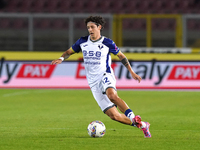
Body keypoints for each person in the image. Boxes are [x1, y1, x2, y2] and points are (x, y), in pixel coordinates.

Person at [51, 16, 151, 138]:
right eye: (88, 27)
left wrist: (131, 71)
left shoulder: (107, 42)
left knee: (112, 96)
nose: (90, 30)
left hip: (105, 75)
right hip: (93, 83)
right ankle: (142, 125)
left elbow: (121, 56)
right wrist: (61, 58)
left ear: (99, 27)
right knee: (114, 116)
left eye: (92, 27)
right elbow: (68, 52)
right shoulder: (82, 42)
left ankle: (133, 117)